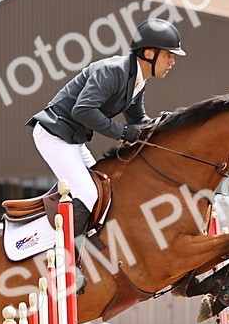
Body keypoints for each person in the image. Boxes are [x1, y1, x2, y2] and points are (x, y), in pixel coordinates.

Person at [27, 18, 186, 237]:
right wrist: (121, 132)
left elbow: (138, 120)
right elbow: (82, 110)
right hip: (54, 134)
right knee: (88, 193)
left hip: (72, 139)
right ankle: (60, 253)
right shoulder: (113, 71)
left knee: (106, 191)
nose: (172, 62)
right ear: (149, 53)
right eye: (169, 55)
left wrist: (163, 125)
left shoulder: (137, 79)